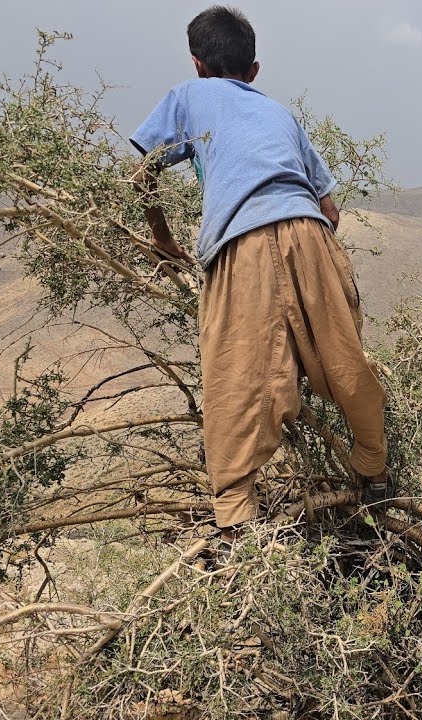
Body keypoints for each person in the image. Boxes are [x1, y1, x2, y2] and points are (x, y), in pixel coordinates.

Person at [130, 6, 392, 543]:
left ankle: (235, 523)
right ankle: (374, 470)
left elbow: (143, 174)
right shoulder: (280, 114)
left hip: (240, 244)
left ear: (197, 64)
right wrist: (307, 270)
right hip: (310, 230)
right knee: (342, 356)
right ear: (254, 71)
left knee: (236, 377)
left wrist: (162, 240)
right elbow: (333, 209)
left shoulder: (187, 94)